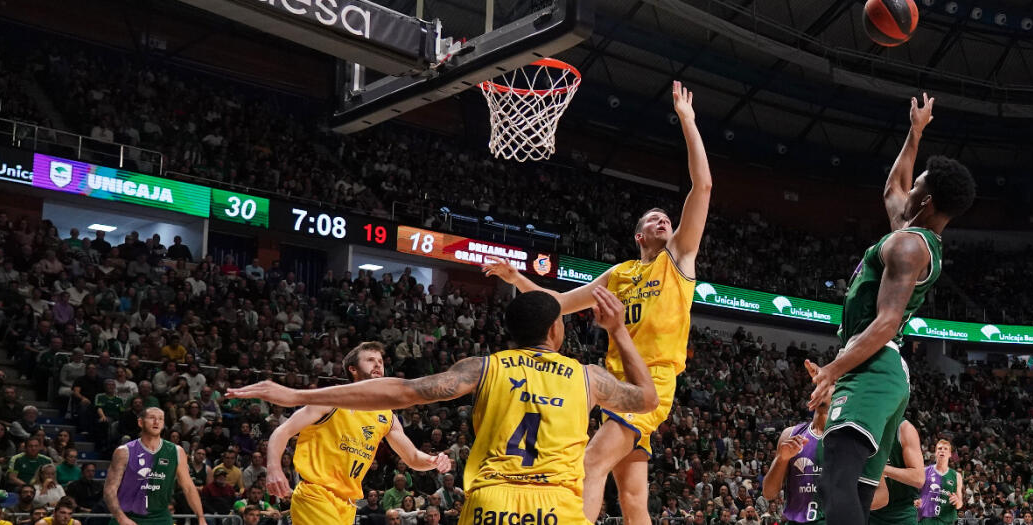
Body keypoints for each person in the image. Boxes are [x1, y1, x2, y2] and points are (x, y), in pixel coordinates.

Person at [483, 81, 714, 525]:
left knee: (589, 464)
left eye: (667, 217)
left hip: (651, 383)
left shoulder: (679, 259)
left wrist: (687, 121)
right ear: (638, 236)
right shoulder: (620, 273)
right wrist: (517, 278)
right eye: (653, 219)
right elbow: (558, 304)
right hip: (611, 384)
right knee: (631, 499)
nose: (663, 219)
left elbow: (701, 188)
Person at [227, 289, 659, 525]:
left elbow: (400, 391)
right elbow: (647, 399)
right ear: (554, 329)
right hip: (558, 506)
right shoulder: (588, 376)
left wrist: (300, 394)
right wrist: (618, 332)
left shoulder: (482, 367)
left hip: (492, 503)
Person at [805, 93, 975, 525]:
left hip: (873, 366)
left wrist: (834, 370)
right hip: (884, 371)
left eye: (919, 184)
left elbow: (886, 322)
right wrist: (914, 133)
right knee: (859, 494)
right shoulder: (917, 237)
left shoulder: (907, 246)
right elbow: (892, 189)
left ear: (928, 201)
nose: (910, 187)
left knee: (835, 480)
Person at [261, 342, 452, 525]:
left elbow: (411, 457)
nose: (378, 364)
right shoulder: (330, 400)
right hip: (315, 494)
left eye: (380, 361)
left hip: (347, 503)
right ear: (353, 369)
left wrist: (433, 461)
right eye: (370, 360)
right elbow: (282, 431)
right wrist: (273, 468)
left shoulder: (387, 417)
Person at [104, 408, 208, 525]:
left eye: (160, 419)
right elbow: (110, 489)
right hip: (127, 516)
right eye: (152, 418)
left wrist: (201, 517)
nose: (156, 422)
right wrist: (121, 517)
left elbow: (188, 487)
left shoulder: (176, 451)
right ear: (140, 422)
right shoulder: (124, 452)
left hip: (160, 517)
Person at [763, 379, 831, 524]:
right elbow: (769, 493)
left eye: (829, 386)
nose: (821, 389)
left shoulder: (846, 438)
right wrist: (782, 459)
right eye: (819, 386)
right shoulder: (790, 434)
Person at [872, 421, 925, 524]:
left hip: (901, 512)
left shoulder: (904, 428)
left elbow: (918, 478)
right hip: (870, 509)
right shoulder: (863, 426)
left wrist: (880, 467)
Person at [918, 439, 964, 524]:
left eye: (945, 449)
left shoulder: (957, 476)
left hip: (946, 520)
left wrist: (957, 501)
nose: (942, 450)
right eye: (939, 448)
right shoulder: (924, 471)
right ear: (935, 452)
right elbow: (915, 494)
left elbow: (959, 504)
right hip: (926, 519)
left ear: (950, 454)